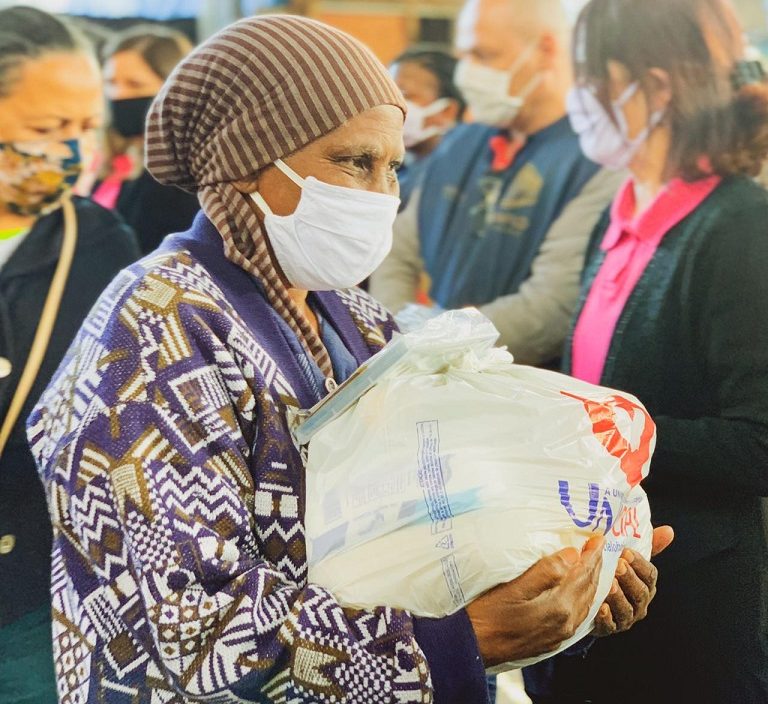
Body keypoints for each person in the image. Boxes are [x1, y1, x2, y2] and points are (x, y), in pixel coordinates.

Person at [28, 15, 668, 703]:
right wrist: (452, 642)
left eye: (392, 167)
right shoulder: (150, 334)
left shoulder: (356, 317)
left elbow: (423, 524)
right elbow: (185, 625)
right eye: (352, 161)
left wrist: (567, 577)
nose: (380, 195)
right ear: (248, 161)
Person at [523, 0, 768, 702]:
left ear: (655, 88)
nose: (575, 98)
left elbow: (757, 442)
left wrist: (608, 432)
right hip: (600, 582)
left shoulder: (739, 230)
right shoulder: (622, 209)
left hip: (686, 604)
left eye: (588, 77)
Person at [0, 6, 141, 702]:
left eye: (85, 127)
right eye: (46, 130)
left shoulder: (98, 242)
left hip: (30, 594)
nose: (72, 152)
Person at [370, 0, 623, 366]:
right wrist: (402, 333)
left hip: (519, 383)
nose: (466, 73)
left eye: (484, 55)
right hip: (429, 367)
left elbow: (550, 306)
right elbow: (397, 248)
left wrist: (438, 347)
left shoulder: (596, 159)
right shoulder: (461, 143)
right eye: (465, 56)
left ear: (546, 50)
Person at [93, 25, 199, 254]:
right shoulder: (112, 165)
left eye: (135, 84)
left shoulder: (181, 182)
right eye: (111, 83)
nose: (118, 95)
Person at [390, 49, 465, 210]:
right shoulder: (397, 167)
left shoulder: (456, 180)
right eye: (389, 95)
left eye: (405, 96)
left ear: (447, 111)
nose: (392, 106)